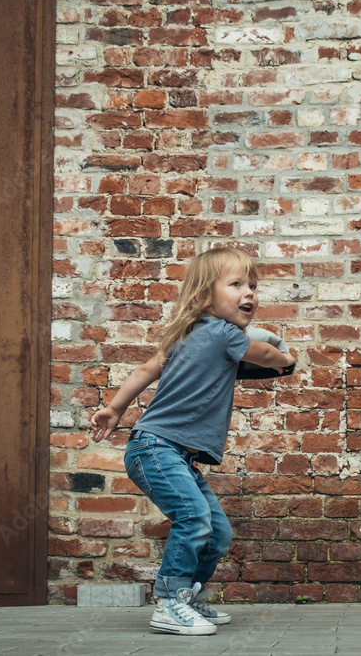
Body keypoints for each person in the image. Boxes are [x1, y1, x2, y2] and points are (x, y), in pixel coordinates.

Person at [89, 247, 296, 636]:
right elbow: (265, 353)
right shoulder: (223, 333)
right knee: (194, 519)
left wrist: (115, 409)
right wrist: (286, 358)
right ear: (205, 296)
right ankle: (169, 601)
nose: (249, 292)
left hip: (170, 452)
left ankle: (186, 596)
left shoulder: (189, 334)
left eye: (253, 285)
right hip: (156, 447)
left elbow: (146, 368)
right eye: (236, 284)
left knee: (218, 533)